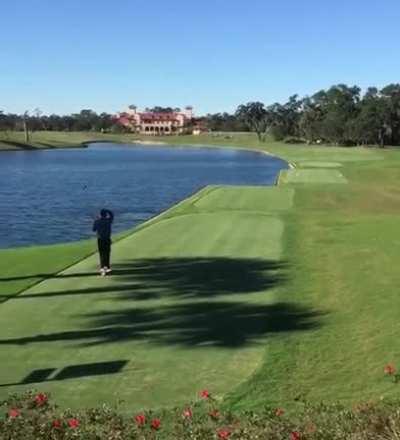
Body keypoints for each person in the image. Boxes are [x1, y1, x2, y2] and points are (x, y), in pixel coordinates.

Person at [92, 209, 114, 276]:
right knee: (107, 253)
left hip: (100, 239)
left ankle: (102, 268)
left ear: (100, 214)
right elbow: (112, 215)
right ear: (106, 214)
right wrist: (108, 211)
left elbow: (93, 230)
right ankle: (107, 267)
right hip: (107, 239)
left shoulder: (97, 221)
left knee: (102, 254)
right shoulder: (108, 221)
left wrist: (96, 220)